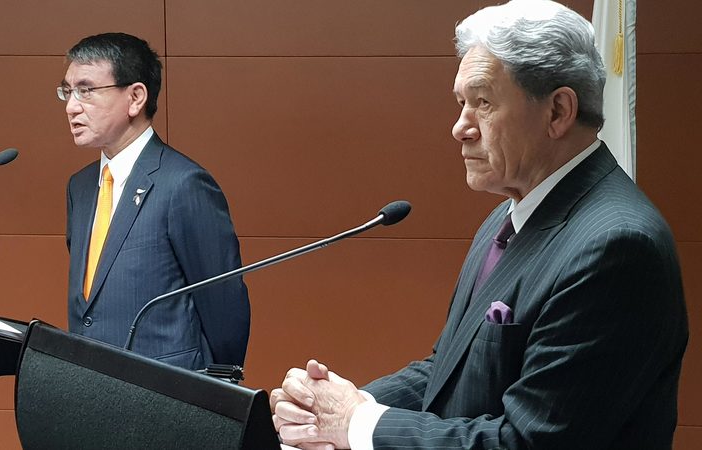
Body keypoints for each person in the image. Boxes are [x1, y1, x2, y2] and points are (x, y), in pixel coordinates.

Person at [270, 1, 688, 449]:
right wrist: (338, 406)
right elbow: (448, 370)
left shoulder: (616, 248)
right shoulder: (506, 217)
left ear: (558, 112)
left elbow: (526, 443)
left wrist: (357, 423)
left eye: (483, 102)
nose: (460, 128)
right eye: (461, 103)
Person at [61, 33, 250, 370]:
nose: (71, 106)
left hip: (164, 394)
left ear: (135, 97)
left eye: (86, 91)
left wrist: (216, 390)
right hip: (91, 390)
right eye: (68, 91)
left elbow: (224, 305)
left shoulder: (184, 184)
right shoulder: (81, 187)